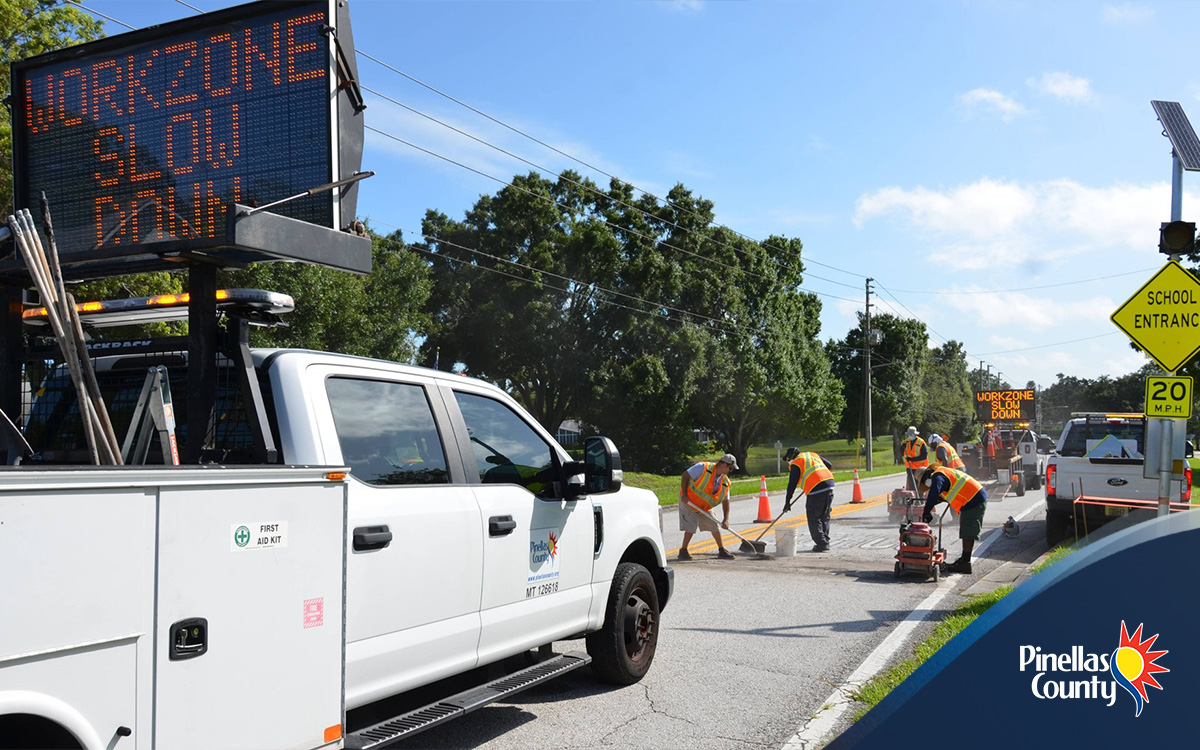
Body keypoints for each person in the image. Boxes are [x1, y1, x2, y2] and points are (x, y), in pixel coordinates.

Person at [919, 465, 988, 574]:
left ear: (927, 476)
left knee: (968, 531)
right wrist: (929, 505)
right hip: (972, 498)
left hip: (974, 498)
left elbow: (935, 491)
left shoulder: (938, 476)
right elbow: (941, 495)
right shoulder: (942, 474)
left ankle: (965, 564)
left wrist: (927, 511)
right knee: (966, 530)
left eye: (924, 482)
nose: (927, 485)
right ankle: (964, 560)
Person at [677, 453, 739, 561]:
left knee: (714, 525)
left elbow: (726, 501)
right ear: (724, 465)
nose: (730, 471)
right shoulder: (703, 467)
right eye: (730, 468)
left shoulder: (725, 482)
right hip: (689, 502)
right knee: (691, 527)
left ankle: (721, 550)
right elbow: (685, 475)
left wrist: (726, 519)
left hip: (704, 506)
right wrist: (685, 495)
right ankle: (683, 551)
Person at [783, 447, 836, 552]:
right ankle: (825, 541)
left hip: (816, 490)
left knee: (813, 517)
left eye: (788, 460)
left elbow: (792, 485)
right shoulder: (812, 454)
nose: (789, 462)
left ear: (791, 457)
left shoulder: (797, 463)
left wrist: (787, 502)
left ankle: (822, 544)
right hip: (829, 485)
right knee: (824, 515)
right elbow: (829, 465)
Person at [902, 426, 928, 491]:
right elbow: (902, 452)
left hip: (920, 468)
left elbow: (924, 456)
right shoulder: (906, 441)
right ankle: (913, 500)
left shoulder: (921, 442)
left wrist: (912, 459)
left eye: (911, 435)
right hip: (910, 467)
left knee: (919, 486)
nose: (910, 436)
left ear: (915, 434)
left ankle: (921, 500)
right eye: (909, 435)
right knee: (911, 486)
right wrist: (902, 448)